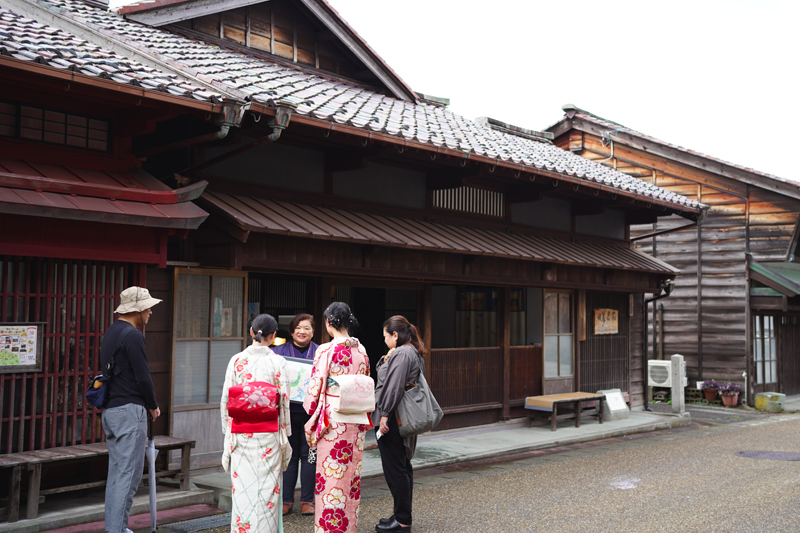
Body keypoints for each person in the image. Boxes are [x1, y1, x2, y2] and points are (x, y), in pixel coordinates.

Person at [220, 314, 291, 533]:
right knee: (267, 493)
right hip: (269, 437)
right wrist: (285, 431)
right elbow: (284, 403)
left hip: (241, 435)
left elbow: (226, 401)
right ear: (273, 336)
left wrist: (228, 431)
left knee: (243, 492)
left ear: (251, 332)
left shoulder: (237, 360)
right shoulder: (278, 362)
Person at [303, 302, 370, 533]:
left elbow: (315, 386)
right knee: (351, 476)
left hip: (333, 420)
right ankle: (348, 526)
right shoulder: (362, 350)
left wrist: (310, 405)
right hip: (356, 418)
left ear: (329, 323)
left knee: (331, 475)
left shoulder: (326, 350)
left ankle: (329, 527)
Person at [102, 286, 161, 533]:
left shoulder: (112, 331)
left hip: (111, 410)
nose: (150, 312)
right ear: (136, 309)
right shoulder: (134, 335)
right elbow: (143, 377)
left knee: (117, 475)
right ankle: (117, 530)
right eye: (147, 307)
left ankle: (115, 527)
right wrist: (153, 405)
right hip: (130, 411)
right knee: (128, 476)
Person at [373, 315, 426, 532]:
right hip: (400, 416)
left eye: (385, 336)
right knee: (402, 467)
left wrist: (384, 414)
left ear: (395, 335)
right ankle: (400, 515)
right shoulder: (408, 351)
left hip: (394, 417)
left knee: (396, 469)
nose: (384, 340)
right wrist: (387, 358)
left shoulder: (403, 353)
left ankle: (403, 520)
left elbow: (393, 386)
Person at [271, 313, 319, 516]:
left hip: (312, 413)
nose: (302, 331)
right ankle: (286, 500)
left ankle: (308, 500)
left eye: (307, 328)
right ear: (292, 330)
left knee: (310, 455)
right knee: (289, 456)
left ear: (313, 332)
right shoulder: (278, 351)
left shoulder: (320, 352)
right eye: (298, 327)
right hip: (287, 412)